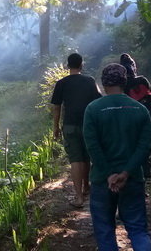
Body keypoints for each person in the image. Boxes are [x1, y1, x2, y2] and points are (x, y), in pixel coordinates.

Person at [83, 63, 151, 251]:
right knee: (138, 230)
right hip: (133, 179)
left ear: (103, 84)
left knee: (104, 230)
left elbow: (92, 146)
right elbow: (145, 146)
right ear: (125, 82)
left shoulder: (93, 109)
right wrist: (127, 172)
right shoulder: (140, 110)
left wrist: (108, 174)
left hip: (101, 180)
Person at [51, 52, 102, 208]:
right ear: (82, 65)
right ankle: (87, 186)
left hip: (70, 125)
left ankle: (79, 197)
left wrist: (56, 127)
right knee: (87, 157)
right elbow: (99, 102)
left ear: (67, 65)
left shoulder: (61, 83)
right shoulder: (90, 81)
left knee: (75, 160)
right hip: (88, 124)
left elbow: (56, 107)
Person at [120, 53, 151, 179]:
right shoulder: (142, 80)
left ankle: (133, 176)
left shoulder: (122, 85)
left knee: (132, 148)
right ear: (134, 67)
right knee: (145, 147)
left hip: (130, 120)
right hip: (148, 117)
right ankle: (145, 175)